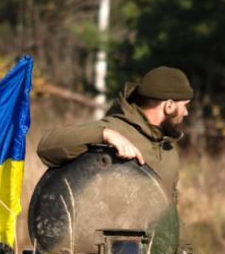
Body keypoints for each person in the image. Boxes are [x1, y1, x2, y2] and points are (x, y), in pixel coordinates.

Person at [37, 66, 193, 196]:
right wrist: (105, 135)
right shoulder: (115, 129)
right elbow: (46, 147)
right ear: (169, 106)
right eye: (185, 105)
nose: (186, 113)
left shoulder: (168, 148)